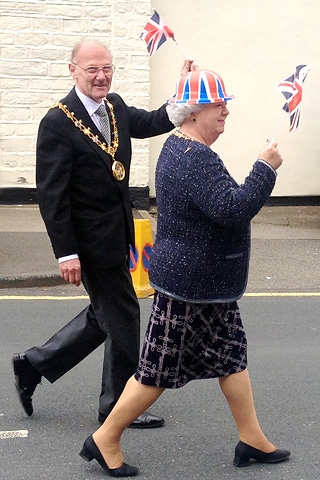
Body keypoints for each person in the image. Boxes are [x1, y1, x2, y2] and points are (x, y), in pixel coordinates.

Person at [79, 69, 291, 477]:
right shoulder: (195, 158)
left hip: (201, 284)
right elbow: (232, 210)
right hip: (191, 286)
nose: (225, 110)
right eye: (217, 105)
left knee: (231, 358)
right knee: (155, 372)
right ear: (193, 113)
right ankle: (105, 438)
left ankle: (252, 439)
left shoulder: (181, 148)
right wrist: (265, 169)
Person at [12, 40, 194, 428]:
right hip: (88, 242)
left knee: (105, 314)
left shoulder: (115, 106)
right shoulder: (57, 122)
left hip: (118, 233)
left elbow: (152, 122)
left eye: (107, 68)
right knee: (124, 314)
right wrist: (66, 253)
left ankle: (33, 364)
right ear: (73, 70)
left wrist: (182, 94)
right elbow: (52, 196)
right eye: (92, 69)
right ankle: (117, 408)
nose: (101, 76)